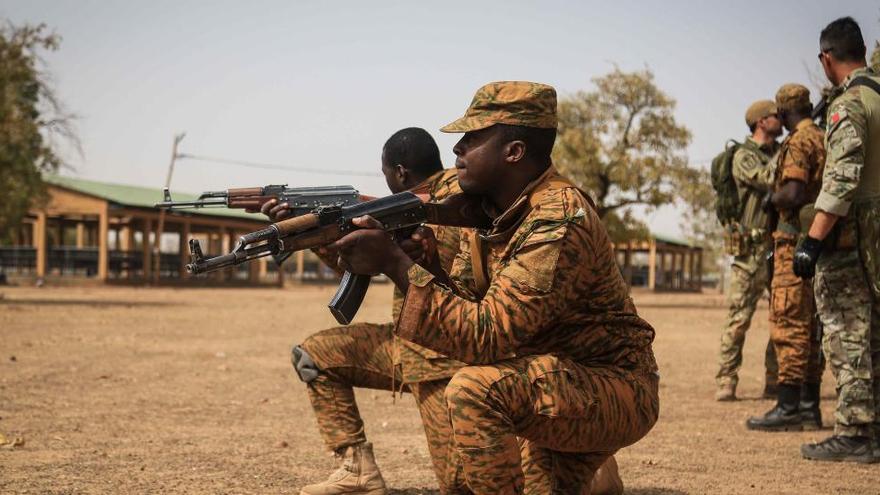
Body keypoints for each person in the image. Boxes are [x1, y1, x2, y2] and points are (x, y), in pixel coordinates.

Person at [330, 81, 659, 493]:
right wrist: (428, 265)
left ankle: (594, 453)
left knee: (474, 390)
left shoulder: (558, 218)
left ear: (514, 151)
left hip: (612, 386)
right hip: (553, 381)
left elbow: (488, 337)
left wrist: (396, 266)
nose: (457, 150)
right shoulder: (492, 213)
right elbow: (470, 307)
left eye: (472, 138)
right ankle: (594, 472)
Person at [267, 128, 624, 494]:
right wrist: (316, 237)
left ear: (400, 172)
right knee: (314, 356)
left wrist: (396, 256)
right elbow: (358, 267)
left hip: (448, 356)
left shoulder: (462, 201)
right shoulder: (407, 207)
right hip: (407, 343)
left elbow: (477, 307)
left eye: (385, 171)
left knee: (460, 481)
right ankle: (357, 469)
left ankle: (584, 458)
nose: (460, 151)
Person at [794, 16, 880, 463]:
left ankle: (854, 431)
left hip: (851, 241)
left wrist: (812, 241)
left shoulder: (849, 104)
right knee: (876, 337)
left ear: (827, 59)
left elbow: (843, 178)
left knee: (846, 334)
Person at [746, 84, 825, 432]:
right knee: (810, 330)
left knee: (789, 323)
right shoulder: (823, 137)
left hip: (792, 245)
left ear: (782, 113)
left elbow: (792, 192)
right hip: (817, 245)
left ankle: (788, 407)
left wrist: (770, 200)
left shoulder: (797, 143)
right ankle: (809, 407)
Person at [715, 100, 781, 401]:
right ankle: (726, 380)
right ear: (760, 122)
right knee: (739, 318)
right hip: (749, 252)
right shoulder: (744, 156)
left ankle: (775, 380)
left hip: (778, 247)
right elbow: (768, 179)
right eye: (775, 117)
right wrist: (791, 150)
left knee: (781, 318)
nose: (781, 121)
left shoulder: (776, 152)